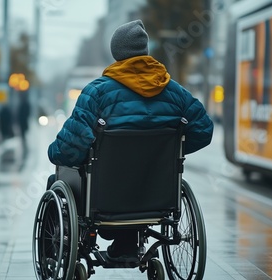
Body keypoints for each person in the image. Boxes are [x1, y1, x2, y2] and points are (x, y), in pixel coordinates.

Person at [47, 20, 214, 262]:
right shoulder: (175, 92)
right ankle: (126, 242)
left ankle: (54, 253)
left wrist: (55, 153)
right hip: (157, 195)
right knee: (136, 181)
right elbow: (204, 130)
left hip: (104, 197)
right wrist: (167, 153)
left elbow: (72, 145)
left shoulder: (97, 92)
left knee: (58, 180)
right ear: (144, 51)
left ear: (116, 53)